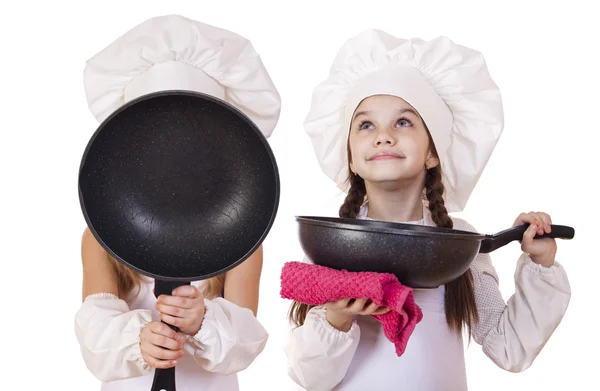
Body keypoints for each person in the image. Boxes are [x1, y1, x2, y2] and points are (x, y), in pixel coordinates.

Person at [284, 29, 571, 391]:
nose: (383, 135)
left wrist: (540, 265)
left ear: (433, 153)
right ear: (352, 159)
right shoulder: (336, 243)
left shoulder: (460, 245)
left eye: (403, 122)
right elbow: (311, 378)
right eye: (366, 124)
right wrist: (338, 316)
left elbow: (509, 347)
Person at [74, 14, 281, 391]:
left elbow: (244, 341)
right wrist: (138, 339)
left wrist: (202, 322)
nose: (173, 165)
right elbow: (95, 332)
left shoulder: (241, 234)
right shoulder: (102, 234)